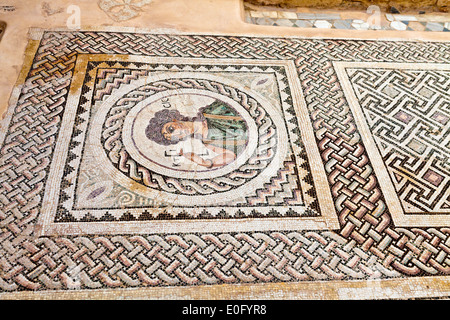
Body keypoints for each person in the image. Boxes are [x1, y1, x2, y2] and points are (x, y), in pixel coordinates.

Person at [145, 99, 248, 168]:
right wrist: (205, 163)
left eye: (171, 129)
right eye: (174, 138)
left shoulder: (210, 111)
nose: (177, 133)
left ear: (173, 119)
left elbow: (239, 107)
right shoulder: (208, 142)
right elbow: (232, 154)